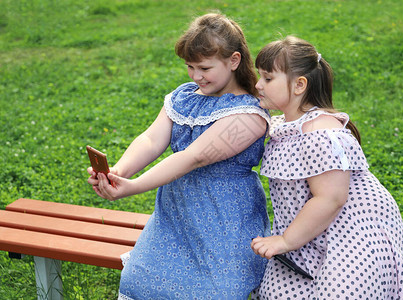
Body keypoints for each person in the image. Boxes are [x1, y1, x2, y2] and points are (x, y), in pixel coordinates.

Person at [87, 13, 271, 299]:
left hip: (223, 221)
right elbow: (150, 139)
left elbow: (193, 157)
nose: (196, 76)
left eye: (205, 68)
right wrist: (118, 172)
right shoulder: (184, 96)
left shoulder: (247, 116)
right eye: (190, 66)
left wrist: (134, 187)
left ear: (234, 61)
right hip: (175, 216)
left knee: (215, 291)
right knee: (143, 282)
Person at [250, 36, 403, 299]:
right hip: (312, 235)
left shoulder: (321, 132)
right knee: (277, 292)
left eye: (268, 78)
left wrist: (285, 241)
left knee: (339, 293)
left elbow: (332, 198)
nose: (258, 84)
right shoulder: (286, 126)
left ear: (299, 85)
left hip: (352, 238)